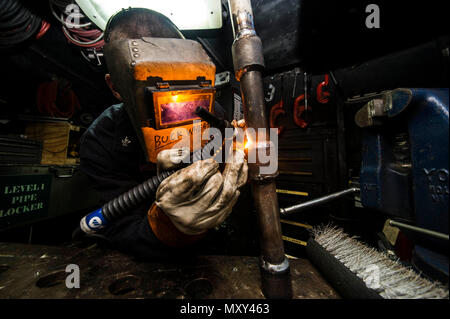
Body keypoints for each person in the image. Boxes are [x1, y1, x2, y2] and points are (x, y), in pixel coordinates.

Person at [79, 8, 249, 260]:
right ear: (116, 87)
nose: (180, 108)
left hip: (213, 251)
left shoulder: (213, 114)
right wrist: (168, 227)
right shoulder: (100, 142)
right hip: (149, 263)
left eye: (188, 90)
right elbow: (119, 228)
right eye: (163, 98)